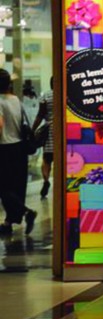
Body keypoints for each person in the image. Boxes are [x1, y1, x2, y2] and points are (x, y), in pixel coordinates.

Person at [0, 69, 36, 235]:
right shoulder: (16, 100)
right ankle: (9, 222)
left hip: (4, 148)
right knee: (16, 186)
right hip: (19, 148)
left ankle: (26, 212)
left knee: (3, 187)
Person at [33, 77, 54, 199]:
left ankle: (46, 180)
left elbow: (40, 115)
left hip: (49, 129)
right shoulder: (66, 95)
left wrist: (33, 129)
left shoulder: (45, 95)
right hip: (63, 130)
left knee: (47, 159)